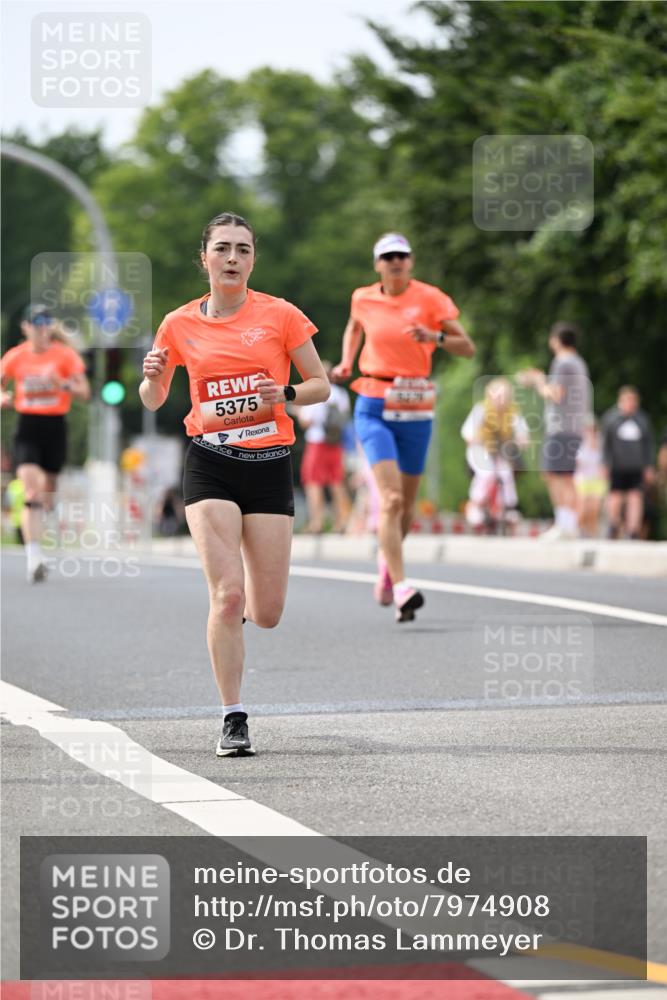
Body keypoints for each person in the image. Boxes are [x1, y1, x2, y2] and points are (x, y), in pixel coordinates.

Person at [139, 212, 329, 757]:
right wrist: (151, 378)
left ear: (252, 260)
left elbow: (321, 384)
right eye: (222, 249)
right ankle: (232, 716)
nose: (232, 259)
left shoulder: (281, 315)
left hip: (269, 463)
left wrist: (284, 395)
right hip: (210, 462)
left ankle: (241, 601)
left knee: (265, 612)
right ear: (204, 258)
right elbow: (153, 399)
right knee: (226, 597)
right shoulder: (177, 324)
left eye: (243, 250)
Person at [332, 232, 475, 621]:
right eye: (388, 256)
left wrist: (436, 337)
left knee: (407, 507)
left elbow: (468, 347)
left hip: (414, 405)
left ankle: (386, 568)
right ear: (377, 264)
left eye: (402, 256)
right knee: (391, 500)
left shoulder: (431, 298)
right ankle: (402, 586)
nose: (395, 262)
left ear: (410, 262)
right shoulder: (363, 297)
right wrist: (347, 362)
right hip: (374, 401)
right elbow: (354, 327)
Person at [0, 304, 90, 581]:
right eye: (36, 323)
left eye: (46, 322)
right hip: (27, 426)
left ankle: (42, 530)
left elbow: (84, 392)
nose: (41, 328)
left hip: (55, 426)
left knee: (48, 492)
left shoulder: (65, 356)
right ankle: (34, 556)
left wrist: (61, 384)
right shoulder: (15, 357)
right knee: (32, 492)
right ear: (25, 327)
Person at [517, 321, 591, 541]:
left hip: (561, 428)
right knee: (563, 476)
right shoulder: (579, 363)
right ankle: (569, 524)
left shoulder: (562, 363)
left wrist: (538, 381)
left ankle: (565, 524)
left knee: (556, 476)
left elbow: (555, 395)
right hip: (574, 428)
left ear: (557, 340)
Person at [461, 377, 529, 529]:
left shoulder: (512, 413)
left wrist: (521, 440)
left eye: (505, 395)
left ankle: (506, 508)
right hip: (480, 450)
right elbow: (467, 433)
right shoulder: (481, 410)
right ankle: (475, 506)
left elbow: (522, 433)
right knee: (487, 473)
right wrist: (478, 440)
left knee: (506, 474)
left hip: (500, 452)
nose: (501, 399)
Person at [295, 361, 352, 533]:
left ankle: (317, 522)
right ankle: (341, 521)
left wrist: (298, 412)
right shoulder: (341, 394)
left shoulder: (314, 393)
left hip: (317, 442)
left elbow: (306, 421)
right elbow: (345, 417)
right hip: (335, 443)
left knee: (313, 481)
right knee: (336, 481)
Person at [600, 386, 655, 539]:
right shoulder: (611, 419)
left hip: (636, 466)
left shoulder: (642, 420)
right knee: (615, 496)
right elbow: (605, 444)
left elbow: (648, 444)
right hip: (617, 465)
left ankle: (633, 530)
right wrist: (604, 463)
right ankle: (613, 524)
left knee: (635, 496)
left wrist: (648, 465)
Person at [574, 418, 607, 538]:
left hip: (597, 480)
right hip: (582, 479)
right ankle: (578, 531)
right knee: (582, 508)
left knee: (594, 510)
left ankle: (592, 534)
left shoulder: (601, 444)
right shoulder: (579, 443)